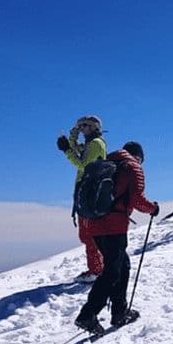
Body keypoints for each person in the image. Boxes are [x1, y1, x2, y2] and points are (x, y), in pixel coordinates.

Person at [74, 141, 160, 335]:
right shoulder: (132, 167)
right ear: (138, 156)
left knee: (122, 266)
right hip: (114, 227)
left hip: (94, 225)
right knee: (113, 271)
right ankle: (88, 314)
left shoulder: (107, 162)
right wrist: (153, 208)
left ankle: (119, 311)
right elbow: (137, 199)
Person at [57, 115, 107, 282]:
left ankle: (96, 270)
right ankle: (96, 268)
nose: (82, 128)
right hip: (86, 191)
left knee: (88, 234)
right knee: (87, 234)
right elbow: (74, 148)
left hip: (89, 192)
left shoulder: (95, 144)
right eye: (81, 125)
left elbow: (83, 164)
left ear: (94, 127)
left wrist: (66, 151)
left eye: (85, 125)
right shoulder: (90, 143)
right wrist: (73, 133)